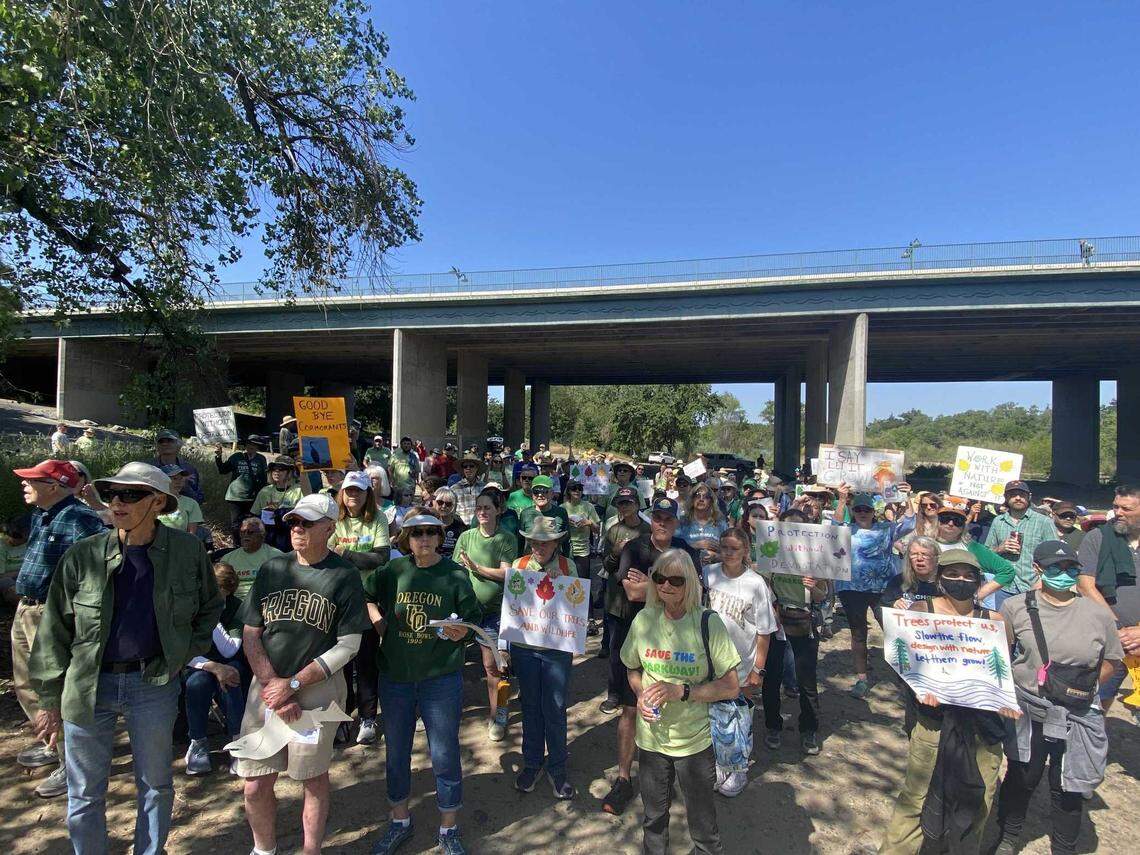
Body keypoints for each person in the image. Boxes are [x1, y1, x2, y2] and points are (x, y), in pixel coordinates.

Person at [28, 462, 222, 851]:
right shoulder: (83, 555)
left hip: (153, 683)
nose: (117, 502)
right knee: (84, 792)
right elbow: (53, 630)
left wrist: (180, 655)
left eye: (130, 494)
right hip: (87, 684)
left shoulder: (187, 551)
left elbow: (209, 608)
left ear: (158, 502)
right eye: (112, 493)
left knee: (155, 784)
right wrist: (49, 699)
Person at [232, 492, 369, 855]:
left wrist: (293, 686)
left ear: (329, 528)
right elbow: (250, 632)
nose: (297, 529)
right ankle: (263, 849)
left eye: (307, 523)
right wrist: (273, 688)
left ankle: (311, 850)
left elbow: (349, 645)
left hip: (316, 694)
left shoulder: (344, 575)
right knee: (254, 783)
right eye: (294, 522)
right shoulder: (273, 569)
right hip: (266, 689)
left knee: (312, 777)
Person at [878, 549, 1017, 855]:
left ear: (979, 581)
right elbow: (900, 661)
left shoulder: (993, 620)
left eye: (969, 576)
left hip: (982, 728)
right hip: (933, 722)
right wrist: (915, 687)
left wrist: (1005, 701)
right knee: (916, 797)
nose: (961, 581)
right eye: (952, 574)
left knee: (978, 800)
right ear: (940, 578)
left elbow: (1002, 671)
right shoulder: (919, 611)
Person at [994, 540, 1124, 855]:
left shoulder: (1098, 614)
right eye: (1056, 567)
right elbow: (1000, 651)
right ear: (1038, 568)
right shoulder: (1015, 607)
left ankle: (1064, 847)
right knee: (1022, 775)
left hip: (1078, 712)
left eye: (1071, 568)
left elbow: (1112, 660)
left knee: (1068, 787)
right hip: (1029, 708)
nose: (1064, 574)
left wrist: (1085, 689)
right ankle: (1009, 837)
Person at [363, 513, 480, 855]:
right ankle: (399, 821)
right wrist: (380, 624)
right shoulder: (394, 572)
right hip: (396, 677)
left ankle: (449, 828)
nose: (424, 539)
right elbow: (366, 593)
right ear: (407, 538)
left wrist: (462, 632)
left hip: (440, 677)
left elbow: (471, 619)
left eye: (431, 532)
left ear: (440, 536)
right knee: (396, 752)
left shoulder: (455, 574)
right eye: (417, 533)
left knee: (444, 754)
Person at [621, 549, 741, 855]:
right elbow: (632, 668)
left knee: (703, 828)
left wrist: (682, 692)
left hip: (694, 743)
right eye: (660, 578)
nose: (666, 586)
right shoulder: (644, 620)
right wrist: (640, 694)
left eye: (675, 580)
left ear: (690, 583)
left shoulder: (707, 623)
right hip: (651, 741)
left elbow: (731, 687)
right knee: (653, 819)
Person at [10, 459, 105, 798]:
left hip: (51, 617)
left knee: (54, 685)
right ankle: (52, 745)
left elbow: (101, 569)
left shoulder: (81, 519)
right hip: (27, 609)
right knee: (27, 683)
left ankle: (70, 764)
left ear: (52, 486)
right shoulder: (42, 515)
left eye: (32, 480)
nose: (25, 484)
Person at [600, 497, 700, 816]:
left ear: (676, 523)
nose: (661, 523)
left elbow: (695, 595)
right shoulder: (635, 547)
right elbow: (631, 592)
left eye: (667, 519)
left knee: (671, 707)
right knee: (630, 711)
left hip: (677, 644)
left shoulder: (687, 551)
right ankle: (624, 778)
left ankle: (663, 780)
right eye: (656, 517)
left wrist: (651, 587)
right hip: (638, 638)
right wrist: (671, 589)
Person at [704, 527, 778, 797]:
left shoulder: (755, 583)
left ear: (746, 550)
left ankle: (738, 769)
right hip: (709, 660)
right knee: (712, 714)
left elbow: (764, 630)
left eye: (734, 548)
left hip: (741, 663)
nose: (728, 553)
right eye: (724, 547)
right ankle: (718, 763)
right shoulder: (709, 574)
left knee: (739, 716)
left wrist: (758, 668)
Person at [510, 515, 578, 799]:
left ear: (556, 543)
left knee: (555, 707)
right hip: (525, 648)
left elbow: (576, 604)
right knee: (530, 705)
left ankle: (557, 767)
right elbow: (512, 606)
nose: (539, 546)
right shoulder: (520, 565)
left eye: (546, 542)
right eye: (535, 541)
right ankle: (533, 763)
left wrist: (565, 586)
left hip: (556, 650)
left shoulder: (567, 566)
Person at [326, 471, 391, 745]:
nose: (353, 495)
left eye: (359, 491)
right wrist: (355, 559)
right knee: (340, 665)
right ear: (342, 493)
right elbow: (325, 557)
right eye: (349, 490)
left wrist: (347, 555)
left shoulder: (378, 519)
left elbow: (380, 557)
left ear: (368, 494)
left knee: (366, 663)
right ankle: (341, 718)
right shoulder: (333, 521)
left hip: (367, 600)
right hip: (338, 602)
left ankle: (367, 717)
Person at [833, 486, 915, 699]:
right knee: (858, 634)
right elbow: (832, 527)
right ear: (853, 511)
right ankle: (862, 678)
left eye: (866, 509)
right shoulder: (846, 530)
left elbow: (909, 523)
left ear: (873, 512)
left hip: (883, 591)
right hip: (851, 590)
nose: (862, 512)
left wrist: (907, 497)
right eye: (858, 508)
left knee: (895, 632)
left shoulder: (886, 529)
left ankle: (906, 678)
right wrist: (842, 500)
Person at [759, 507, 830, 756]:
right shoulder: (772, 552)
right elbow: (762, 585)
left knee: (806, 679)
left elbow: (823, 596)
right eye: (788, 528)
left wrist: (814, 586)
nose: (793, 533)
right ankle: (773, 726)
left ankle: (809, 729)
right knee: (772, 678)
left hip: (805, 623)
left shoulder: (817, 558)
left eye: (799, 527)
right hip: (777, 622)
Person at [454, 490, 518, 740]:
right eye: (479, 507)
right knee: (454, 662)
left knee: (494, 666)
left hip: (494, 612)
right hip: (465, 612)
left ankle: (498, 714)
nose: (482, 512)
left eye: (487, 508)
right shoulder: (466, 537)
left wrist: (477, 568)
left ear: (498, 510)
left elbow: (507, 574)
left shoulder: (506, 539)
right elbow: (456, 571)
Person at [1075, 484, 1140, 710]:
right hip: (1110, 637)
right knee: (1097, 701)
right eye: (1115, 507)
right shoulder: (1098, 537)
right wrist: (1117, 631)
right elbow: (1085, 586)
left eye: (1126, 509)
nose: (1118, 513)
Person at [182, 562, 246, 776]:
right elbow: (184, 651)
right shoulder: (191, 606)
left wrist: (213, 617)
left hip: (228, 661)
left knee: (232, 677)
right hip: (200, 662)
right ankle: (198, 742)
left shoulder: (236, 607)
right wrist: (212, 667)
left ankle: (238, 742)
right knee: (197, 683)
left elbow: (229, 650)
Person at [985, 480, 1060, 606]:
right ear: (1006, 498)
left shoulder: (1044, 522)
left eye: (1022, 494)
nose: (1018, 498)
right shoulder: (998, 521)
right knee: (1004, 624)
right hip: (1003, 587)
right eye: (1013, 495)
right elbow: (986, 554)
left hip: (1032, 587)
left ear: (1029, 497)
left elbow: (1056, 556)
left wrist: (1042, 581)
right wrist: (1000, 549)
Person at [599, 486, 651, 662]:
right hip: (617, 600)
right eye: (621, 503)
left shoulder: (648, 530)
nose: (625, 506)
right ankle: (615, 689)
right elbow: (607, 565)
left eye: (628, 502)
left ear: (637, 504)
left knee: (641, 649)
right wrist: (615, 551)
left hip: (642, 599)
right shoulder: (613, 531)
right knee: (617, 651)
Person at [933, 499, 1016, 601]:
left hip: (961, 605)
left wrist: (977, 596)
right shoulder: (924, 544)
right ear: (937, 521)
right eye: (945, 519)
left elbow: (1007, 571)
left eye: (957, 521)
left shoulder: (972, 547)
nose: (950, 523)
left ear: (963, 525)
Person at [216, 435, 269, 541]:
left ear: (258, 447)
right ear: (245, 445)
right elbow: (223, 470)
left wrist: (263, 495)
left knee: (250, 524)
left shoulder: (261, 459)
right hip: (235, 496)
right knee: (235, 524)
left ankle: (248, 543)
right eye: (249, 444)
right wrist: (218, 456)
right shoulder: (237, 457)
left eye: (254, 445)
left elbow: (264, 479)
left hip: (252, 497)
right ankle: (236, 545)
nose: (251, 447)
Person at [250, 455, 304, 549]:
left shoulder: (299, 490)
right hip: (268, 538)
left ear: (290, 472)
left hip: (289, 538)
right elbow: (254, 516)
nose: (276, 471)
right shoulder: (265, 491)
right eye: (273, 468)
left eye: (281, 469)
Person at [224, 517, 285, 599]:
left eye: (250, 532)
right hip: (236, 603)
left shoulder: (276, 556)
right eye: (242, 532)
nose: (245, 535)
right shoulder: (228, 559)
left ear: (262, 535)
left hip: (264, 601)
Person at [881, 536, 941, 610]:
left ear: (936, 558)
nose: (919, 558)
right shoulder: (898, 581)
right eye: (914, 554)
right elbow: (881, 607)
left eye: (925, 554)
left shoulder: (945, 583)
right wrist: (892, 604)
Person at [519, 475, 571, 556]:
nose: (540, 495)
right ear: (532, 494)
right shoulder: (525, 514)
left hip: (555, 563)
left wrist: (567, 563)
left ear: (552, 493)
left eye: (544, 491)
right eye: (536, 491)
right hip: (530, 563)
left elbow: (566, 541)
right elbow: (520, 542)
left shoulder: (561, 512)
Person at [679, 482, 727, 566]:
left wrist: (717, 556)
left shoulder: (720, 524)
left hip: (713, 571)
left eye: (706, 496)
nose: (701, 499)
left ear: (711, 501)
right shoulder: (681, 522)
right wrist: (694, 545)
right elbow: (672, 550)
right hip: (687, 569)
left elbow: (730, 552)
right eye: (697, 495)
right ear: (692, 499)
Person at [150, 429, 204, 502]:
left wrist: (185, 487)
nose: (165, 444)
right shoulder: (149, 468)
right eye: (161, 441)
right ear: (157, 445)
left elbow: (199, 499)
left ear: (179, 444)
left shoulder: (189, 469)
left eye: (170, 441)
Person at [156, 463, 204, 535]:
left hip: (179, 543)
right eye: (174, 478)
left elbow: (191, 534)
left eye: (181, 478)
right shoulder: (152, 501)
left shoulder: (191, 504)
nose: (179, 482)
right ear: (162, 481)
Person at [430, 487, 467, 557]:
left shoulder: (460, 527)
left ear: (454, 506)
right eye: (440, 502)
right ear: (435, 503)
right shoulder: (429, 524)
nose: (443, 506)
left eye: (448, 504)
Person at [450, 453, 486, 525]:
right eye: (465, 466)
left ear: (477, 468)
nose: (468, 468)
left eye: (471, 466)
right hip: (461, 527)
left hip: (480, 527)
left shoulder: (484, 488)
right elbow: (451, 511)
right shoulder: (454, 488)